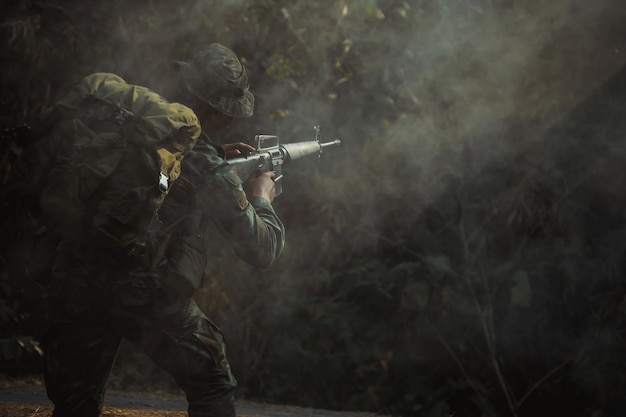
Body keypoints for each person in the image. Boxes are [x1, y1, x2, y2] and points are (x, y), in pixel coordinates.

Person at [41, 43, 285, 417]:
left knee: (76, 401)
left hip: (76, 276)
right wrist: (262, 196)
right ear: (216, 108)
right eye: (228, 112)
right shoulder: (207, 166)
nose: (233, 121)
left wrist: (215, 152)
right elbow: (261, 249)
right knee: (211, 379)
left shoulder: (135, 124)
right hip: (143, 292)